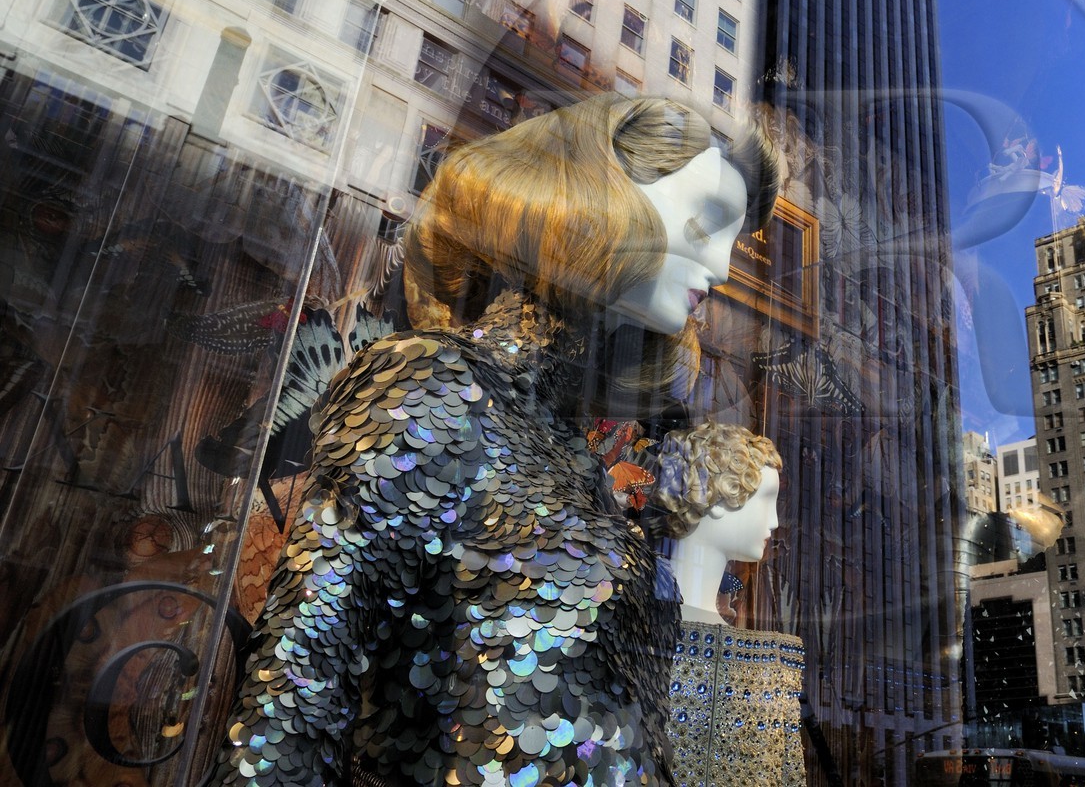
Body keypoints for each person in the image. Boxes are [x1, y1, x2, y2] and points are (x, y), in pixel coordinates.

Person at [210, 95, 777, 787]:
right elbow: (294, 693)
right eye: (707, 220)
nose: (721, 267)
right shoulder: (435, 385)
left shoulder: (572, 460)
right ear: (607, 191)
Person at [650, 424, 804, 787]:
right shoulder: (639, 635)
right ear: (718, 497)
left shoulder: (771, 668)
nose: (774, 522)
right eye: (766, 499)